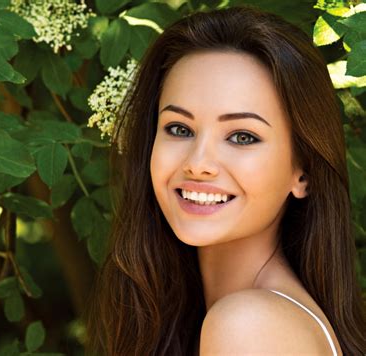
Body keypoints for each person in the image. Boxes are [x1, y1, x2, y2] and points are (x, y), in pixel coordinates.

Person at [84, 5, 366, 355]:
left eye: (242, 136)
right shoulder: (244, 318)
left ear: (303, 172)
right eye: (179, 129)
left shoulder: (249, 326)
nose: (198, 164)